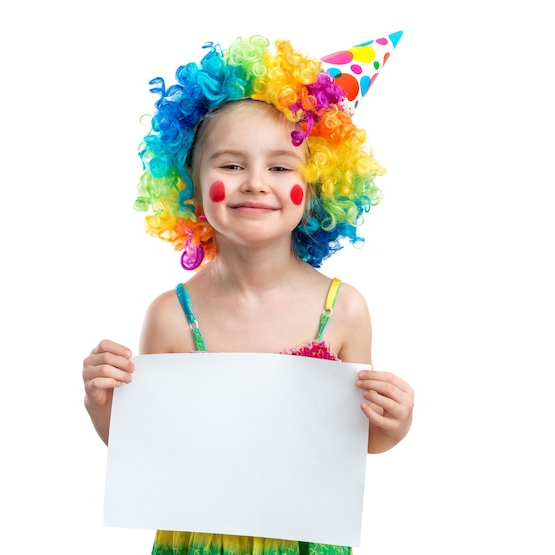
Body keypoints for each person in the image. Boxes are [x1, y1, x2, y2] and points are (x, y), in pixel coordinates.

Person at [83, 35, 414, 555]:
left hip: (305, 538)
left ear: (321, 183)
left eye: (281, 167)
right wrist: (101, 403)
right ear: (189, 182)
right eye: (231, 165)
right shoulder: (171, 315)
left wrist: (395, 425)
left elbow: (354, 444)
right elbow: (148, 447)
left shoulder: (344, 309)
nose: (256, 183)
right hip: (197, 539)